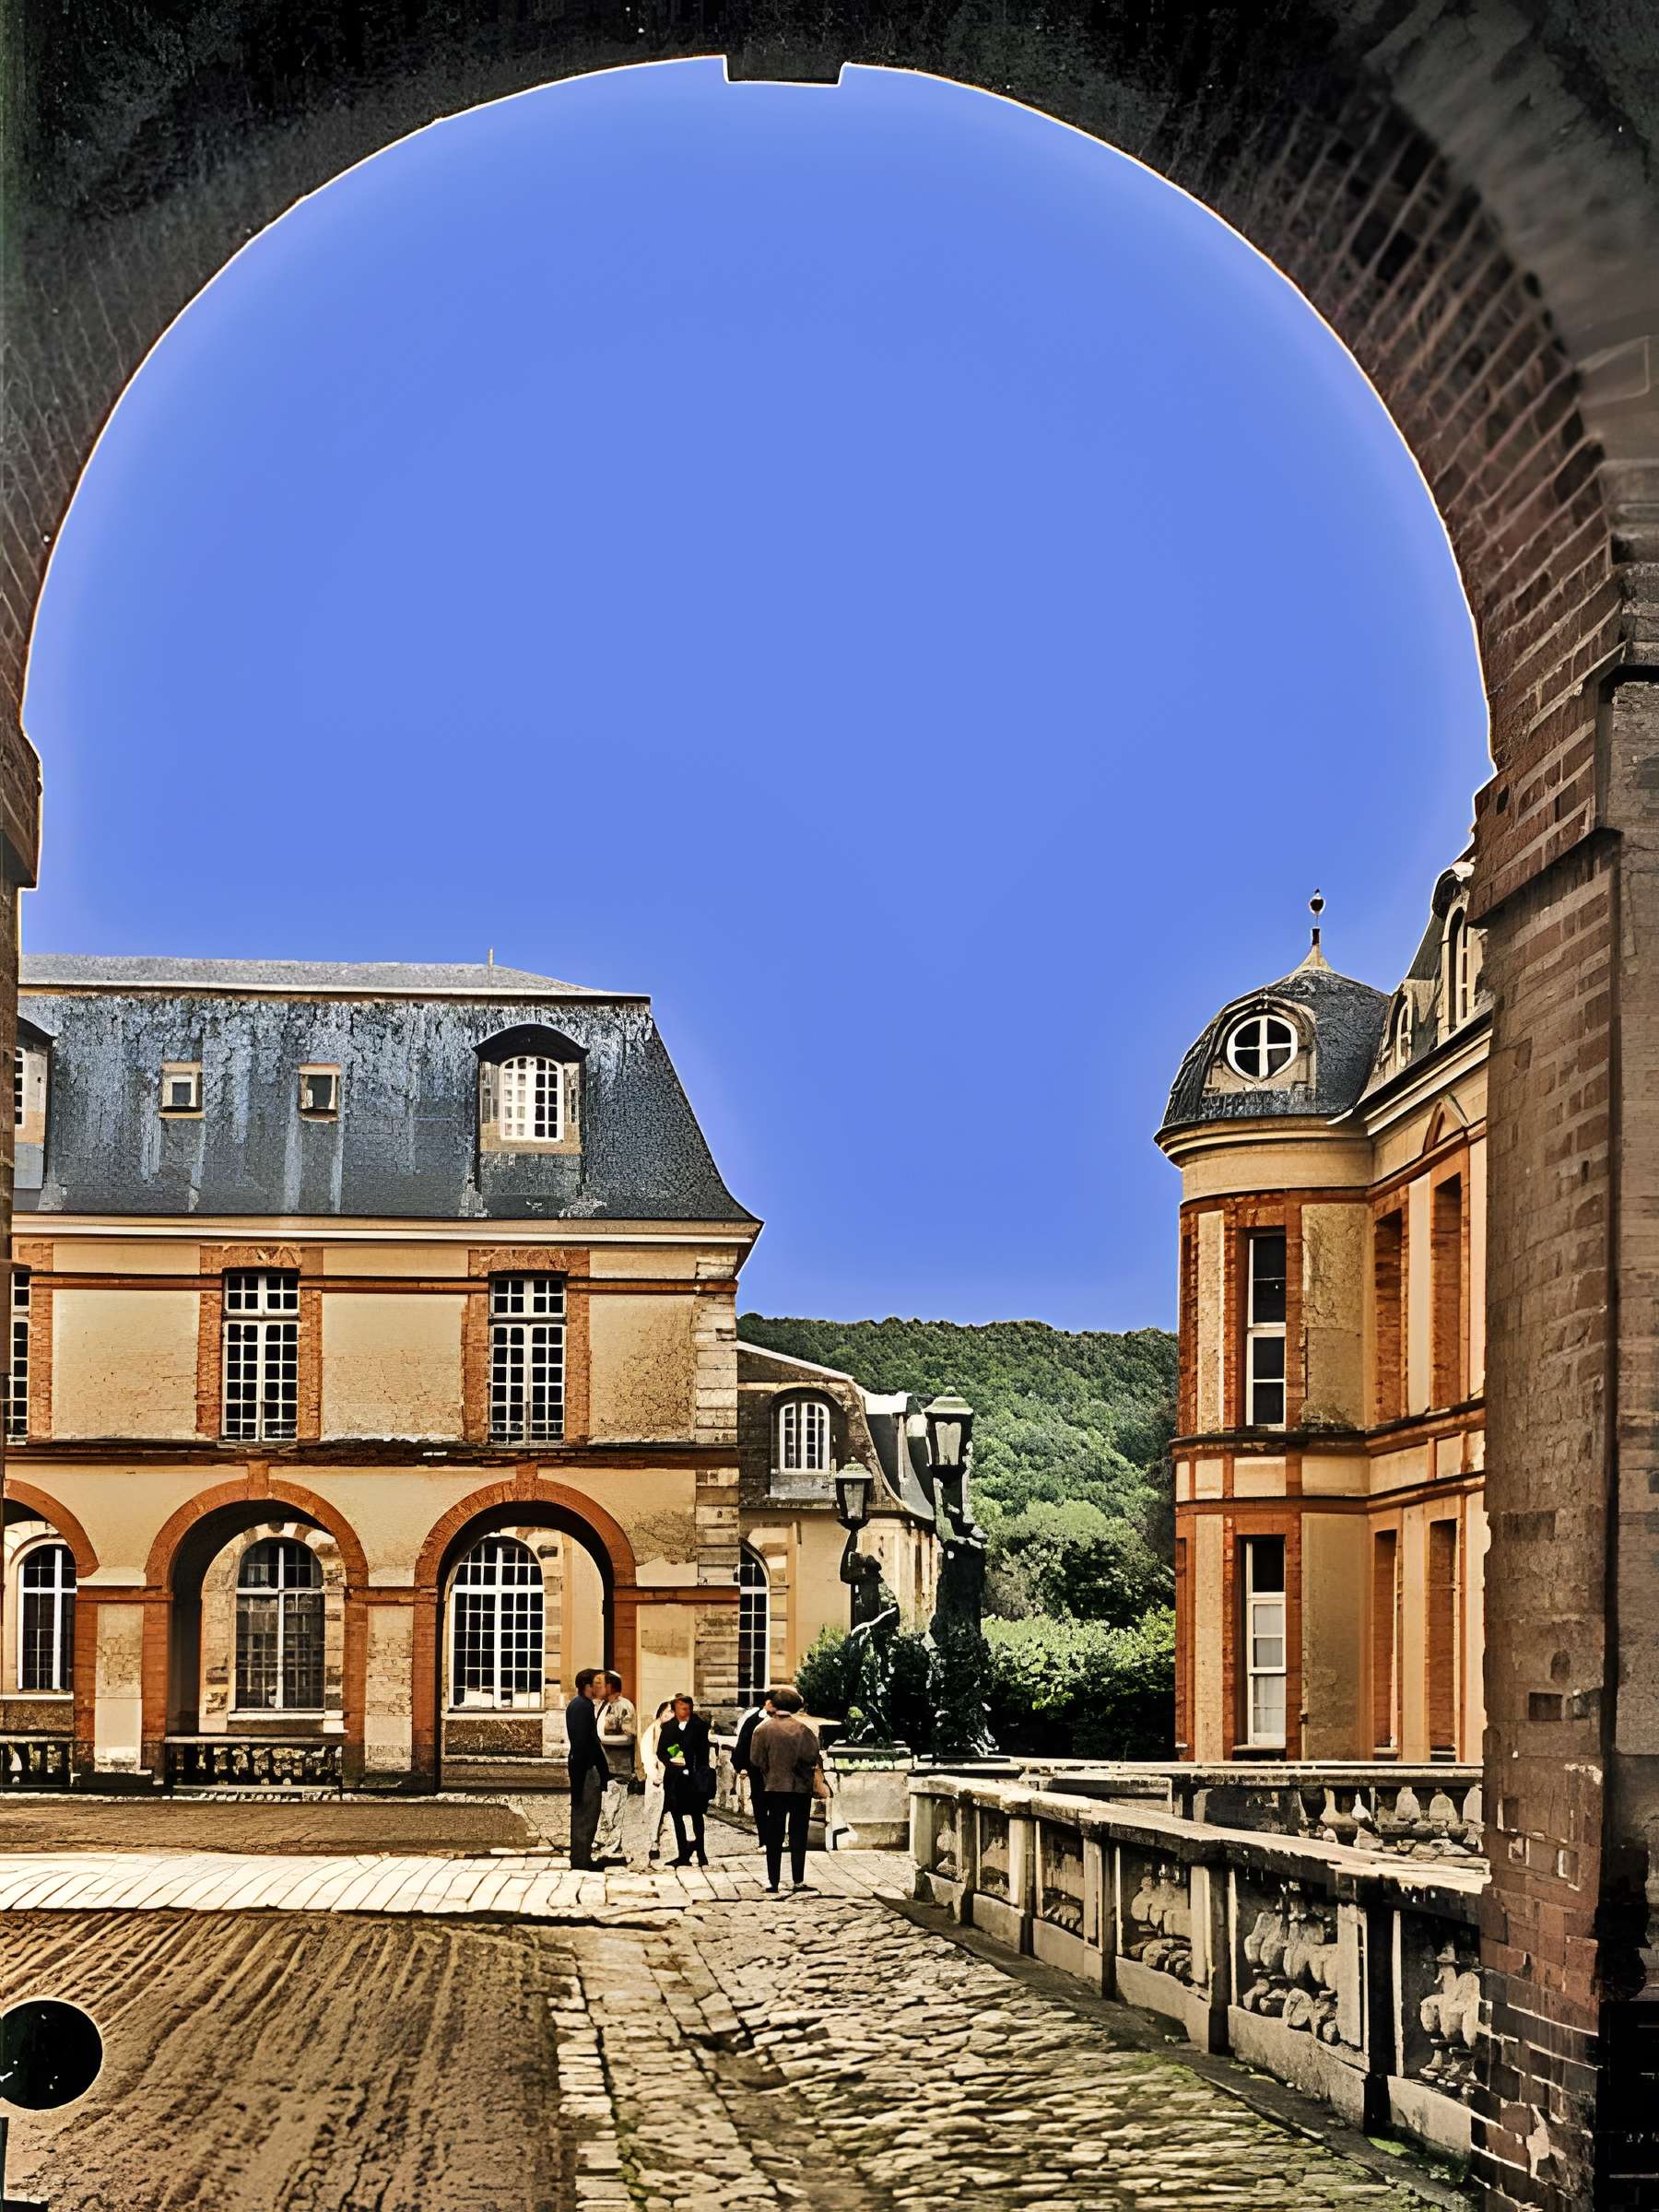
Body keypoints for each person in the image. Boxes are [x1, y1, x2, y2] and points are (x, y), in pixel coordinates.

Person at [749, 1684, 824, 1893]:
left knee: (775, 1835)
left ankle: (773, 1881)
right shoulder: (804, 1730)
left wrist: (771, 1770)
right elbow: (811, 1757)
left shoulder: (762, 1729)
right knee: (798, 1834)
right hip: (800, 1788)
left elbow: (756, 1759)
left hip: (774, 1786)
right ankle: (798, 1880)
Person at [564, 1666, 614, 1872]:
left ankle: (581, 1858)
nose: (601, 1687)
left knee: (584, 1812)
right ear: (588, 1686)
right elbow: (586, 1743)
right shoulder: (582, 1706)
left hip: (582, 1766)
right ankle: (582, 1860)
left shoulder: (581, 1705)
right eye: (598, 1683)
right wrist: (599, 1769)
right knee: (586, 1813)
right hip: (585, 1768)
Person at [654, 1691, 712, 1867]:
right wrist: (672, 1760)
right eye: (682, 1709)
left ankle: (701, 1852)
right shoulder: (669, 1727)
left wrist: (693, 1768)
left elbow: (703, 1752)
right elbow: (661, 1750)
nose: (686, 1712)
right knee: (676, 1815)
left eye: (688, 1708)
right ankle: (682, 1854)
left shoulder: (699, 1726)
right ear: (675, 1710)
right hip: (675, 1779)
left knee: (697, 1815)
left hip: (694, 1777)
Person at [593, 1669, 638, 1866]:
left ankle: (612, 1849)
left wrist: (601, 1740)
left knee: (614, 1811)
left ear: (610, 1686)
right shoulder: (604, 1706)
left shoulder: (623, 1706)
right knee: (605, 1811)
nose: (596, 1688)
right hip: (605, 1768)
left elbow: (628, 1738)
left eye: (600, 1684)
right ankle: (605, 1848)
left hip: (618, 1769)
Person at [730, 1689, 776, 1847]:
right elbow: (743, 1743)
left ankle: (776, 1839)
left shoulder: (781, 1720)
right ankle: (764, 1840)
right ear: (767, 1703)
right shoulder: (753, 1720)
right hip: (757, 1769)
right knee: (760, 1805)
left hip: (776, 1771)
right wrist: (741, 1766)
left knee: (776, 1806)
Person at [636, 1699, 676, 1865]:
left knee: (669, 1811)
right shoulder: (652, 1731)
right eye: (667, 1711)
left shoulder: (672, 1731)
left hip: (670, 1775)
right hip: (656, 1776)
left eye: (673, 1712)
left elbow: (675, 1752)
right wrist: (653, 1774)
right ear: (661, 1712)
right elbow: (646, 1755)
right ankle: (654, 1842)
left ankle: (668, 1843)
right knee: (655, 1810)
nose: (670, 1715)